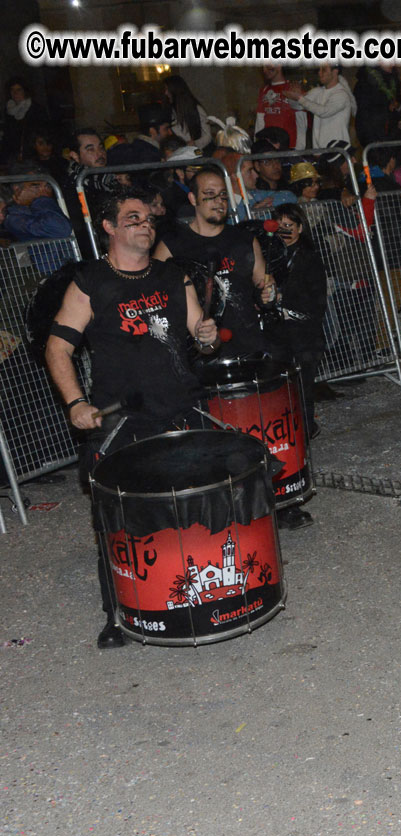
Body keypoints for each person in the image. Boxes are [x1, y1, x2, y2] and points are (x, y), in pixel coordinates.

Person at [44, 187, 220, 649]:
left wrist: (206, 335)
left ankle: (202, 595)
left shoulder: (171, 275)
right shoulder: (91, 281)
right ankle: (117, 612)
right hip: (123, 420)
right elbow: (58, 348)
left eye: (148, 217)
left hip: (180, 406)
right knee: (119, 520)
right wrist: (75, 404)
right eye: (133, 217)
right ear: (109, 227)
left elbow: (202, 340)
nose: (145, 224)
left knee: (197, 509)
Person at [154, 169, 278, 361]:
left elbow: (265, 285)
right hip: (200, 355)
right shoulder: (171, 246)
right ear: (193, 198)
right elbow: (155, 297)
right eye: (209, 195)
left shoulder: (244, 239)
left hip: (249, 346)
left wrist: (269, 294)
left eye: (222, 195)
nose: (219, 201)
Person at [271, 203, 327, 445]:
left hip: (305, 330)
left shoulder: (309, 257)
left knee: (303, 384)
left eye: (289, 226)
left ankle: (305, 429)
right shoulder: (272, 256)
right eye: (280, 226)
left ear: (300, 228)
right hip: (280, 330)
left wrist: (286, 299)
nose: (284, 231)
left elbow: (316, 298)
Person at [288, 63, 357, 150]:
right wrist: (293, 96)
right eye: (319, 70)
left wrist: (299, 98)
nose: (319, 73)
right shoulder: (317, 91)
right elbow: (298, 106)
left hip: (338, 151)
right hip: (319, 151)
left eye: (323, 70)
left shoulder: (341, 94)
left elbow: (323, 112)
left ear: (335, 72)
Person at [255, 64, 308, 150]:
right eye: (263, 67)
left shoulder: (292, 88)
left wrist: (299, 149)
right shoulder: (264, 90)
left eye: (267, 66)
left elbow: (301, 120)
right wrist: (258, 146)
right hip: (269, 148)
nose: (264, 70)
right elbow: (260, 120)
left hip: (290, 146)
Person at [354, 64, 401, 149]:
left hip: (393, 139)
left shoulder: (393, 80)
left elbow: (398, 103)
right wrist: (387, 109)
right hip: (375, 141)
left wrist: (399, 110)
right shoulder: (365, 82)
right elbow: (364, 115)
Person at [2, 77, 48, 163]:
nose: (15, 93)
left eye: (19, 90)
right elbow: (7, 134)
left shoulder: (36, 109)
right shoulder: (8, 110)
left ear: (25, 91)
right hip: (12, 155)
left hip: (32, 154)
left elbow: (42, 133)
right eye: (12, 90)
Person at [164, 76, 212, 150]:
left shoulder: (196, 109)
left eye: (167, 89)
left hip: (197, 152)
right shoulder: (171, 111)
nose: (166, 93)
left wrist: (195, 143)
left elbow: (208, 136)